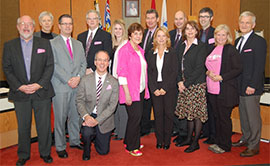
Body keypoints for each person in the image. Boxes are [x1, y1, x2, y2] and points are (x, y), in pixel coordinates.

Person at [2, 15, 54, 165]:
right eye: (22, 24)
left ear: (34, 27)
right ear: (18, 27)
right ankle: (23, 155)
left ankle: (45, 153)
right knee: (23, 126)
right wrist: (19, 86)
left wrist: (39, 84)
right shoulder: (9, 45)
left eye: (29, 24)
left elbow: (49, 66)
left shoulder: (44, 43)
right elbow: (7, 68)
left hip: (41, 92)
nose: (26, 27)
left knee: (44, 125)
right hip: (20, 93)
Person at [50, 14, 87, 159]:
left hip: (76, 86)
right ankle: (60, 146)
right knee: (60, 117)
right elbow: (53, 65)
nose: (67, 26)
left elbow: (83, 64)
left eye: (70, 24)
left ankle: (74, 140)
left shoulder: (78, 44)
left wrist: (78, 78)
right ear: (59, 26)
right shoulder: (53, 43)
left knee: (75, 116)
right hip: (61, 86)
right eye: (64, 24)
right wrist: (68, 79)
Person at [232, 11, 267, 157]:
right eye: (242, 22)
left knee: (253, 117)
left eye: (247, 23)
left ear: (253, 25)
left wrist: (252, 85)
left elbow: (259, 66)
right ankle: (246, 138)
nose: (244, 25)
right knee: (244, 115)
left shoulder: (258, 42)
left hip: (251, 87)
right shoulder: (238, 41)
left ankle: (254, 145)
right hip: (240, 86)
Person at [205, 24, 242, 154]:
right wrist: (208, 73)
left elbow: (237, 69)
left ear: (228, 36)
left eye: (223, 35)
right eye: (218, 35)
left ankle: (225, 145)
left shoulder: (231, 50)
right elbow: (208, 66)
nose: (220, 37)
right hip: (212, 90)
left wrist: (221, 77)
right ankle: (219, 142)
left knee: (224, 118)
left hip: (224, 90)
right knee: (217, 117)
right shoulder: (212, 48)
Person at [76, 51, 119, 161]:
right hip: (89, 115)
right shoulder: (85, 79)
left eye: (105, 60)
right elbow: (79, 100)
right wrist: (86, 116)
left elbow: (112, 106)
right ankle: (87, 147)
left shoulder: (114, 82)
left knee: (103, 152)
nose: (102, 63)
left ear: (108, 63)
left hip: (104, 119)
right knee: (87, 132)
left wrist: (97, 120)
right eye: (99, 60)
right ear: (95, 62)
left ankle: (96, 136)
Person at [175, 21, 208, 153]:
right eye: (187, 29)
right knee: (189, 112)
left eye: (192, 29)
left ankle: (195, 143)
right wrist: (179, 82)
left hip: (196, 85)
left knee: (197, 115)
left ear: (196, 31)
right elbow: (177, 66)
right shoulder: (181, 46)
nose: (189, 31)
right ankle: (188, 138)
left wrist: (186, 83)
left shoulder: (201, 46)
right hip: (183, 84)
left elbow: (200, 68)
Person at [117, 23, 150, 156]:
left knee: (136, 117)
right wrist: (127, 94)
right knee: (135, 118)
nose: (138, 36)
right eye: (135, 33)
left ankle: (129, 140)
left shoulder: (139, 50)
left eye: (140, 33)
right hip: (130, 91)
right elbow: (122, 74)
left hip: (140, 89)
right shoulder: (125, 50)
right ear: (130, 35)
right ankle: (132, 146)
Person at [148, 27, 178, 150]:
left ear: (167, 38)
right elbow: (148, 73)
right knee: (158, 115)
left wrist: (165, 88)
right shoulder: (150, 53)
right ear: (155, 38)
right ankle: (159, 140)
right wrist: (154, 88)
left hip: (169, 88)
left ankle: (167, 141)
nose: (161, 38)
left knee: (169, 115)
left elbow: (174, 72)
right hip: (155, 88)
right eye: (158, 36)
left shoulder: (172, 52)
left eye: (163, 36)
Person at [169, 10, 188, 143]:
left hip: (184, 77)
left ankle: (184, 132)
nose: (178, 21)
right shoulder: (170, 34)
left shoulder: (189, 34)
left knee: (184, 106)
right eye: (176, 19)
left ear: (185, 19)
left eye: (181, 19)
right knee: (174, 105)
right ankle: (176, 129)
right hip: (172, 76)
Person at [140, 9, 159, 137]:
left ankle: (160, 130)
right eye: (148, 18)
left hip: (157, 75)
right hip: (143, 75)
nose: (150, 21)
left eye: (152, 18)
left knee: (157, 106)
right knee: (145, 104)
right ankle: (144, 129)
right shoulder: (144, 33)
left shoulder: (161, 33)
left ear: (157, 19)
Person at [199, 7, 216, 143]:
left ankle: (212, 133)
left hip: (212, 75)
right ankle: (203, 131)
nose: (202, 19)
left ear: (211, 18)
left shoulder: (216, 33)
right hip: (199, 75)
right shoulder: (197, 33)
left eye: (205, 16)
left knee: (211, 106)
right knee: (201, 105)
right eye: (201, 17)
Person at [77, 10, 112, 74]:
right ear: (87, 21)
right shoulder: (80, 37)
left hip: (98, 71)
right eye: (89, 19)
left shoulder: (106, 36)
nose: (92, 21)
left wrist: (92, 69)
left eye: (94, 19)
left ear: (98, 20)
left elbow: (107, 55)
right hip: (82, 72)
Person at [111, 19, 128, 141]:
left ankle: (123, 132)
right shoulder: (112, 43)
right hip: (112, 79)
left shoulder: (126, 44)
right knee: (114, 106)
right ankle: (117, 130)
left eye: (120, 29)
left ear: (124, 30)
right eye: (115, 28)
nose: (118, 31)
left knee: (122, 107)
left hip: (122, 79)